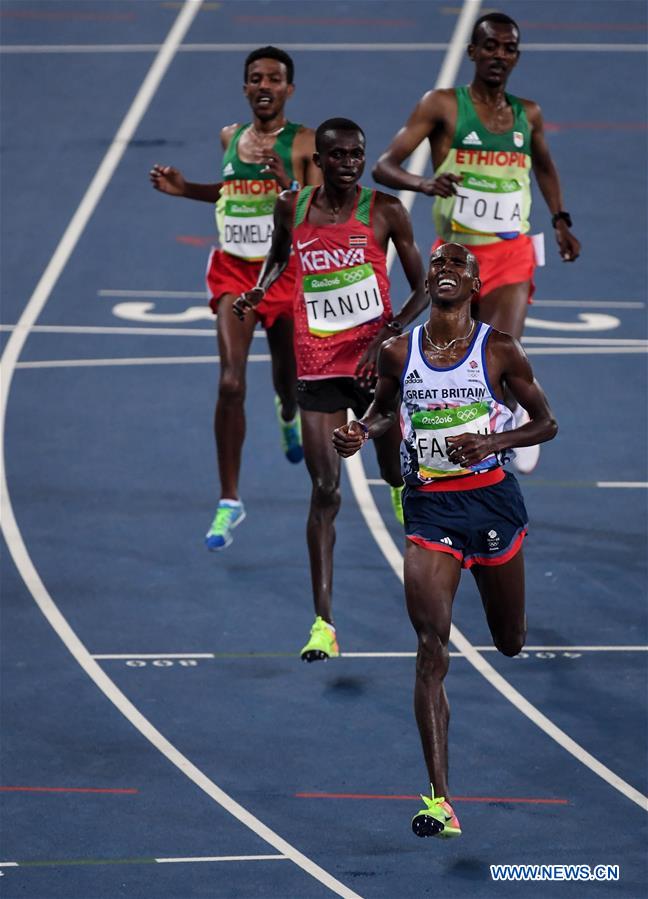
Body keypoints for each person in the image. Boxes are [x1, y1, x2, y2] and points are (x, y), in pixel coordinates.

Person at [332, 242, 558, 838]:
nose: (445, 272)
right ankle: (440, 799)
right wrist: (361, 433)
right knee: (432, 645)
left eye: (458, 266)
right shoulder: (398, 350)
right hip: (429, 507)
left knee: (509, 641)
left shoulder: (500, 350)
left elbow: (546, 422)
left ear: (476, 284)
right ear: (428, 281)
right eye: (437, 265)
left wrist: (491, 444)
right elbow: (384, 412)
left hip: (490, 502)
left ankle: (508, 620)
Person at [233, 118, 427, 661]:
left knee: (392, 471)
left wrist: (387, 336)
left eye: (356, 155)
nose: (348, 163)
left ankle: (397, 489)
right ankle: (324, 624)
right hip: (317, 365)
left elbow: (424, 291)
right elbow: (277, 256)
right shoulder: (290, 208)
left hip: (372, 367)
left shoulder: (385, 211)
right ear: (317, 160)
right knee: (326, 491)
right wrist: (261, 289)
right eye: (337, 155)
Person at [372, 11, 577, 475]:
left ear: (516, 57)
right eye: (490, 46)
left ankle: (507, 429)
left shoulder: (529, 114)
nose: (498, 55)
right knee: (466, 357)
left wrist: (560, 219)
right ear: (472, 52)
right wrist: (424, 184)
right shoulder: (443, 105)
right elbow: (385, 165)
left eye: (508, 49)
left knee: (501, 346)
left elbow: (543, 165)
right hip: (457, 257)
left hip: (511, 253)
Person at [150, 46, 321, 551]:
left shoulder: (304, 141)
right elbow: (232, 191)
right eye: (255, 78)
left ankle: (288, 413)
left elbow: (315, 212)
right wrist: (186, 191)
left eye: (274, 78)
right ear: (245, 88)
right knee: (229, 382)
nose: (264, 85)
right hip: (233, 274)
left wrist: (286, 181)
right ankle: (230, 499)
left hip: (285, 272)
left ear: (289, 89)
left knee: (290, 383)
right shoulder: (230, 136)